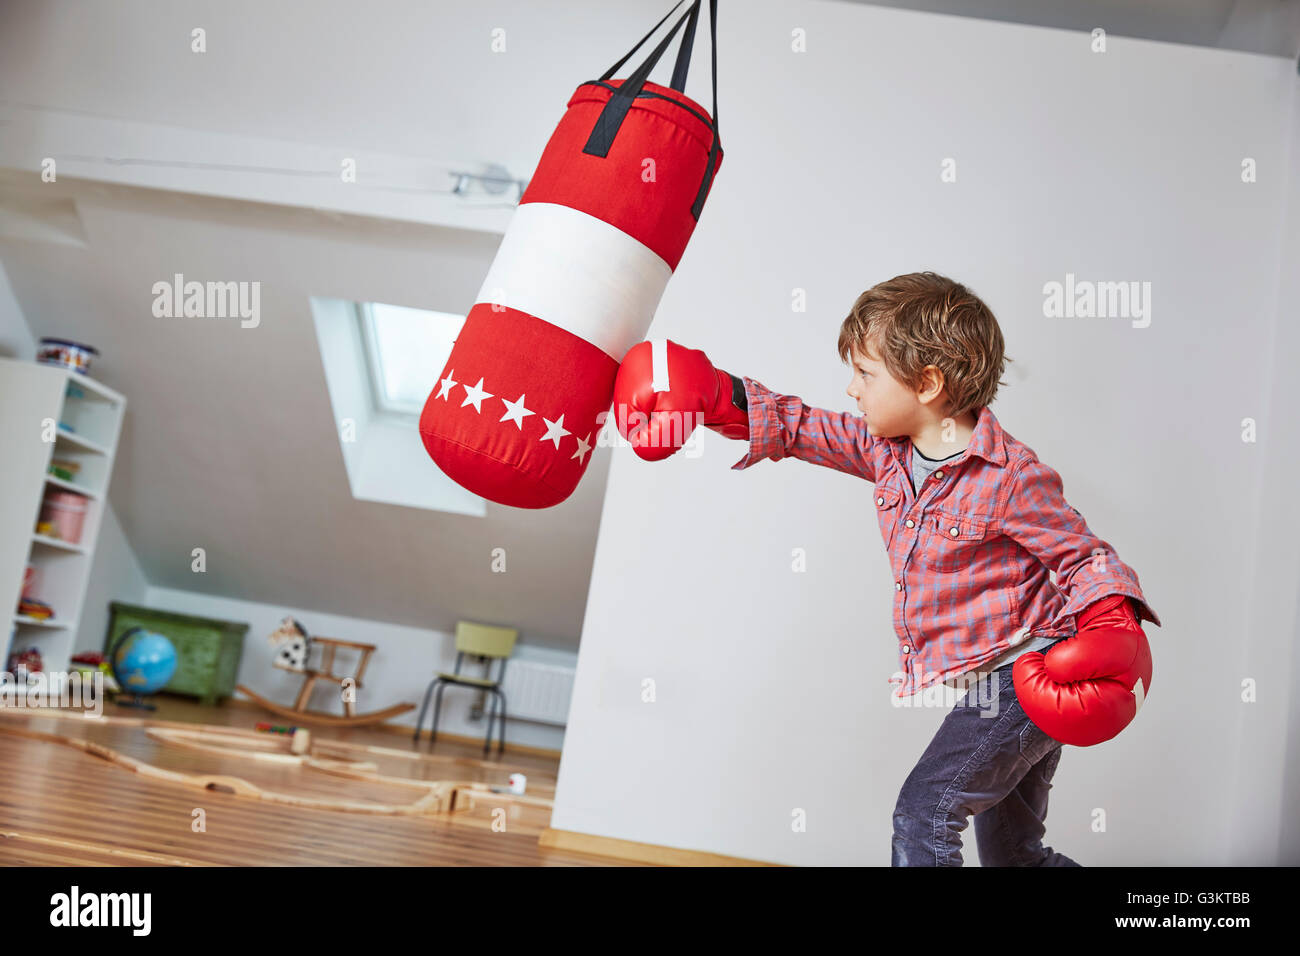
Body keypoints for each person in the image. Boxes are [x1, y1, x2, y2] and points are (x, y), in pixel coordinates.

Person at [612, 270, 1160, 866]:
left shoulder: (1009, 476)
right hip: (990, 680)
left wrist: (1112, 621)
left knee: (925, 810)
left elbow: (1080, 553)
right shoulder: (887, 450)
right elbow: (800, 427)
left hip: (1031, 672)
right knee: (1015, 858)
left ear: (927, 382)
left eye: (865, 374)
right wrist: (717, 393)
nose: (852, 389)